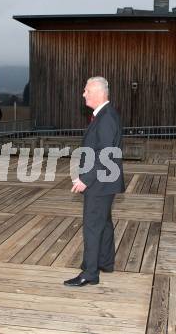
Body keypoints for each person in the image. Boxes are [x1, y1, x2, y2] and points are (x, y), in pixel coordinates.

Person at [65, 77, 125, 287]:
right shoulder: (106, 115)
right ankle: (105, 262)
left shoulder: (106, 117)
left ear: (99, 92)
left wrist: (85, 179)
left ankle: (90, 273)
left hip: (99, 182)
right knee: (104, 223)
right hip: (105, 182)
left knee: (92, 225)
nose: (83, 94)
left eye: (86, 90)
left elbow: (104, 154)